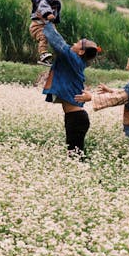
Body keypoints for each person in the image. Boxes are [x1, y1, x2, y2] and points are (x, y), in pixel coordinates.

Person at [40, 19, 100, 157]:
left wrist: (47, 21)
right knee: (74, 154)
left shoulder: (73, 58)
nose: (73, 43)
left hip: (76, 118)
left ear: (80, 52)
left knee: (74, 155)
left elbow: (58, 43)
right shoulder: (75, 60)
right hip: (75, 117)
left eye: (78, 43)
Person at [29, 0, 62, 66]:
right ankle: (43, 54)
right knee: (43, 37)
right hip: (37, 26)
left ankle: (54, 58)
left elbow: (55, 15)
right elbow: (43, 8)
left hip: (47, 25)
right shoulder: (41, 0)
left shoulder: (54, 3)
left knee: (56, 39)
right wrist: (48, 14)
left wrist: (55, 19)